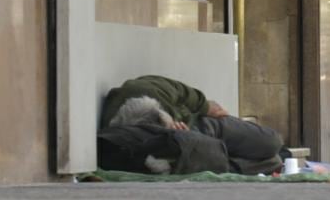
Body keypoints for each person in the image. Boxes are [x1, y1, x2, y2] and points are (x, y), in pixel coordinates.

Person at [97, 75, 287, 176]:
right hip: (183, 147)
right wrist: (179, 139)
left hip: (203, 124)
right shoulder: (124, 137)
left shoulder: (142, 90)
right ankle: (277, 161)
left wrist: (205, 106)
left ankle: (279, 155)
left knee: (271, 142)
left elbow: (182, 91)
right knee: (273, 163)